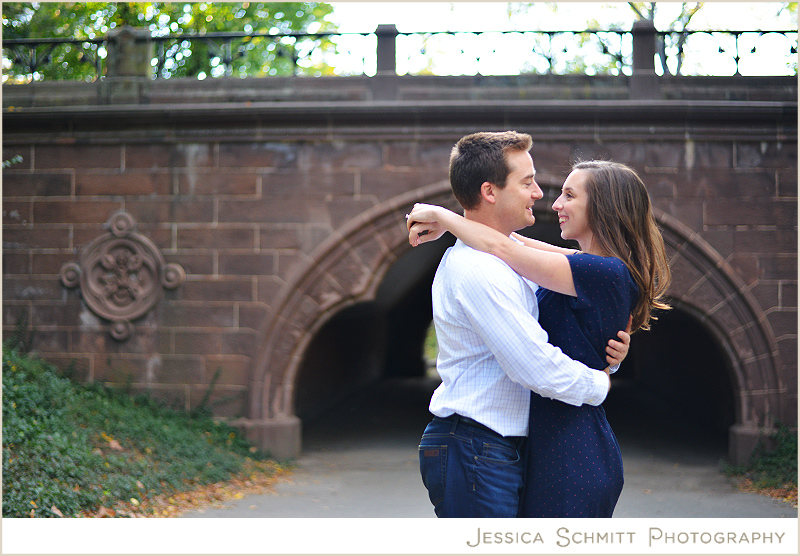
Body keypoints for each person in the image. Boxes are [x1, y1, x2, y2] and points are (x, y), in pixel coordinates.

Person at [407, 157, 671, 518]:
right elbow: (510, 242)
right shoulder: (583, 267)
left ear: (604, 207)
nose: (554, 203)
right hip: (547, 443)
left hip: (569, 449)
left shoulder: (602, 272)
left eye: (569, 195)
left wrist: (447, 217)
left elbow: (504, 247)